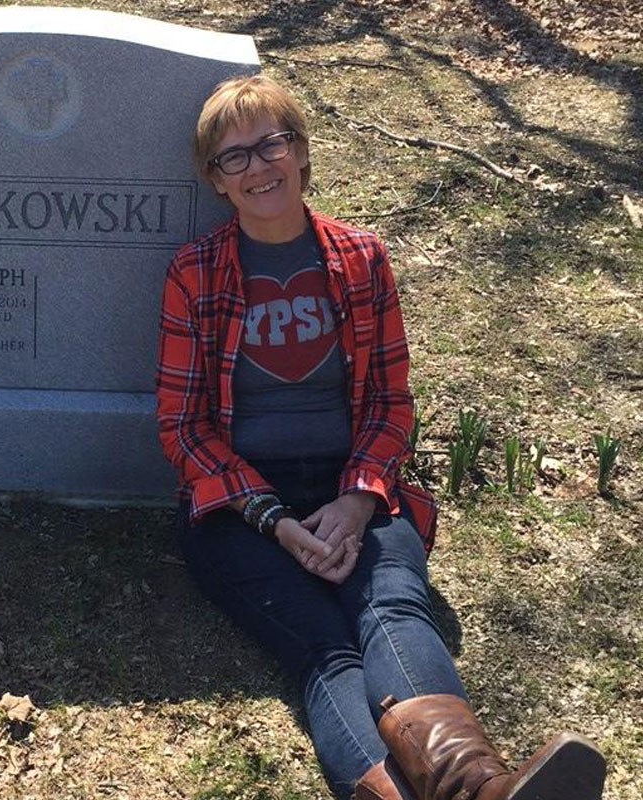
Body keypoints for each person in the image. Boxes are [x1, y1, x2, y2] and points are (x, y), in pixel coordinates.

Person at [154, 75, 606, 800]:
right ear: (215, 180)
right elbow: (183, 427)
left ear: (301, 152)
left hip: (354, 482)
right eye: (234, 156)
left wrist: (359, 501)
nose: (259, 167)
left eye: (273, 143)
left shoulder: (361, 259)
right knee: (326, 652)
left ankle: (479, 788)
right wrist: (273, 520)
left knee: (391, 609)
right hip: (241, 506)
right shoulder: (195, 272)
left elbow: (392, 402)